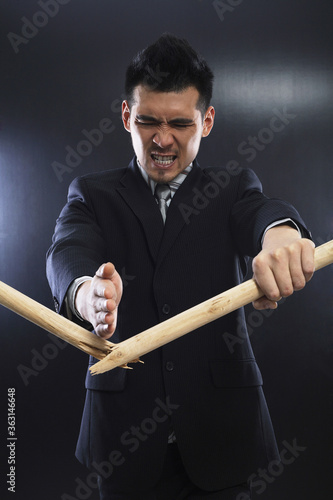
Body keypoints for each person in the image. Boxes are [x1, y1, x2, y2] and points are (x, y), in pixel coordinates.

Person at [46, 34, 315, 500]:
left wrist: (283, 234)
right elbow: (67, 251)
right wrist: (86, 293)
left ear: (206, 121)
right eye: (148, 121)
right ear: (127, 116)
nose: (162, 139)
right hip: (123, 439)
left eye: (179, 124)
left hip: (222, 433)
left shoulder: (232, 188)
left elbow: (261, 212)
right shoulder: (92, 193)